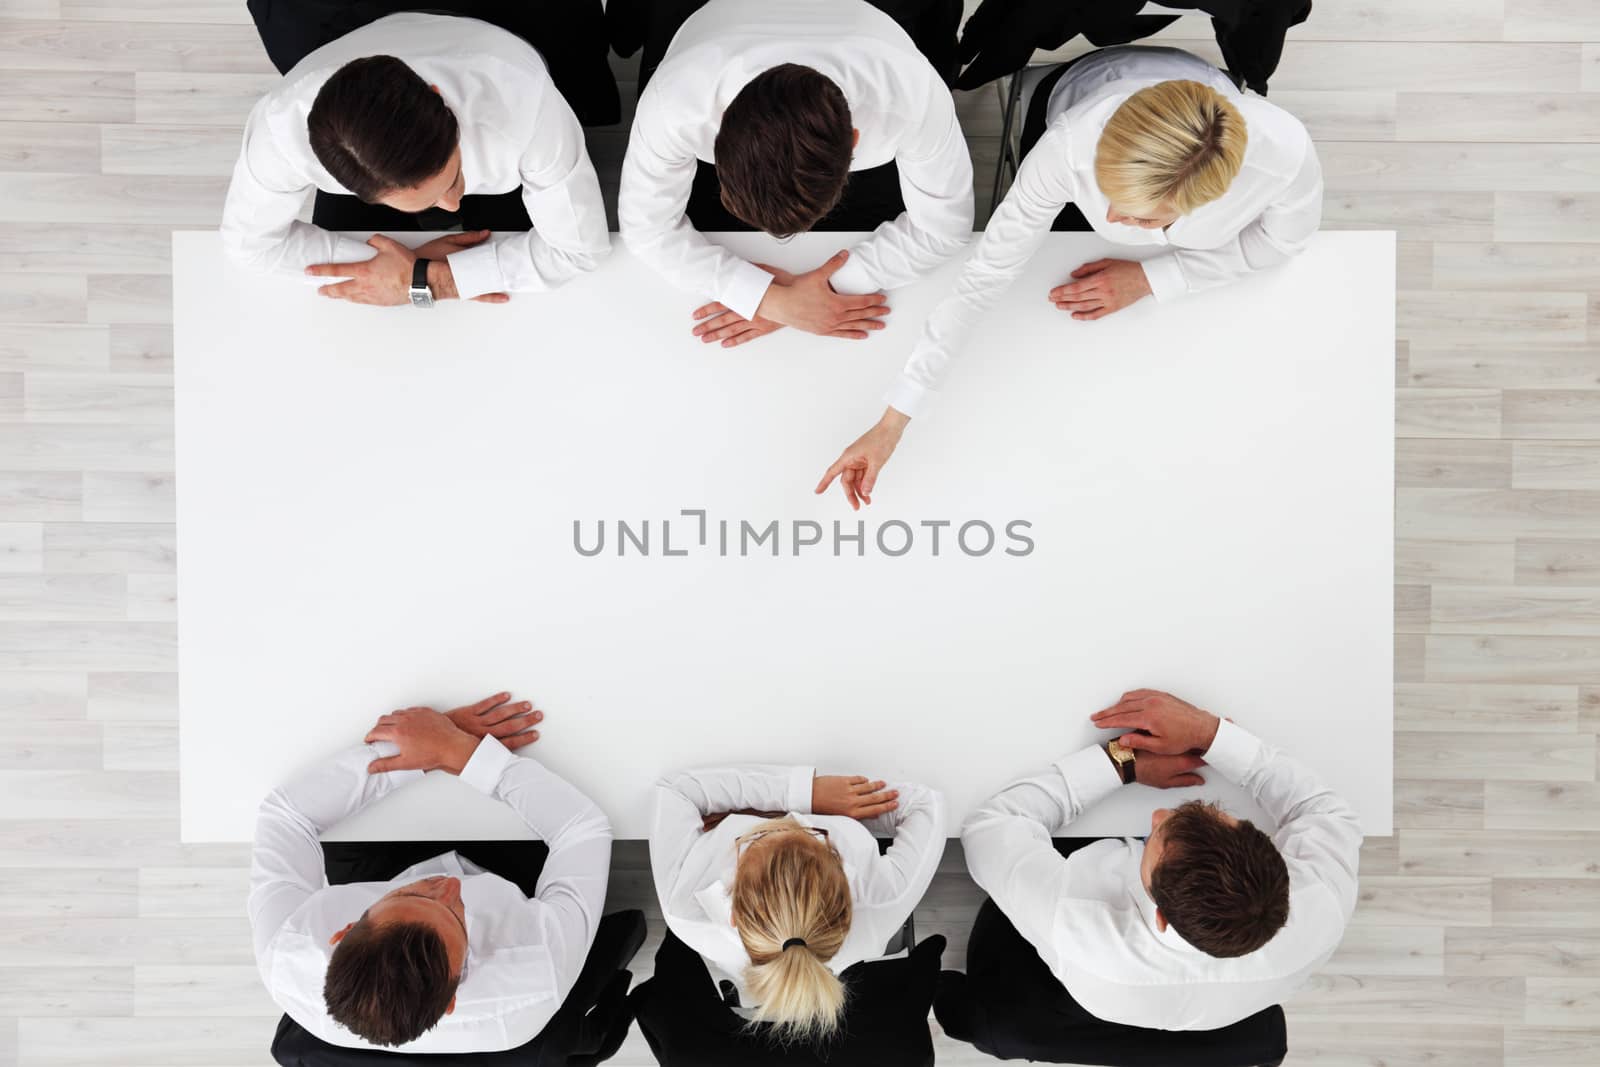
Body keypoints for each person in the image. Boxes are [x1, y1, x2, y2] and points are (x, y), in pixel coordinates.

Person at [817, 44, 1323, 509]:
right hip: (1076, 97)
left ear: (1205, 199)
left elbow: (1282, 242)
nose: (1116, 220)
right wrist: (892, 423)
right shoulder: (1067, 151)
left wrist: (1156, 277)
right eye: (1110, 196)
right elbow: (984, 278)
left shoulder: (1285, 156)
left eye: (1144, 220)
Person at [959, 688, 1361, 1032]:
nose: (1157, 815)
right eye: (1212, 811)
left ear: (1162, 916)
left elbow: (990, 827)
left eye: (1155, 837)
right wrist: (1210, 733)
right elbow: (1323, 813)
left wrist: (1121, 762)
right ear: (1273, 854)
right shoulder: (1320, 905)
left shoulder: (1075, 921)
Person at [248, 692, 613, 1052]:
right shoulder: (537, 965)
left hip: (381, 862)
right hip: (512, 875)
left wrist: (423, 747)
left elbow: (287, 816)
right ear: (452, 998)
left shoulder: (289, 949)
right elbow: (582, 830)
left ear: (342, 932)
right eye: (457, 916)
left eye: (411, 895)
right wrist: (464, 752)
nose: (451, 886)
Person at [619, 0, 974, 350]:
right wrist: (768, 300)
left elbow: (945, 227)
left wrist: (825, 289)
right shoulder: (674, 104)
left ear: (854, 142)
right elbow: (645, 228)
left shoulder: (913, 97)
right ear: (717, 137)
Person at [221, 12, 610, 307]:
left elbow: (580, 249)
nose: (453, 206)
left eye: (453, 179)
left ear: (440, 99)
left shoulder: (526, 104)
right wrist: (394, 268)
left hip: (495, 40)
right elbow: (248, 245)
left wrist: (430, 279)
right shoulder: (280, 133)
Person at [649, 764, 945, 1042]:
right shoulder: (880, 899)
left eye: (757, 840)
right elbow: (924, 804)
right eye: (812, 835)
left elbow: (676, 791)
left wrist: (775, 802)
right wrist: (811, 800)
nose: (788, 824)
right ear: (847, 892)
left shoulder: (685, 909)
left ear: (734, 914)